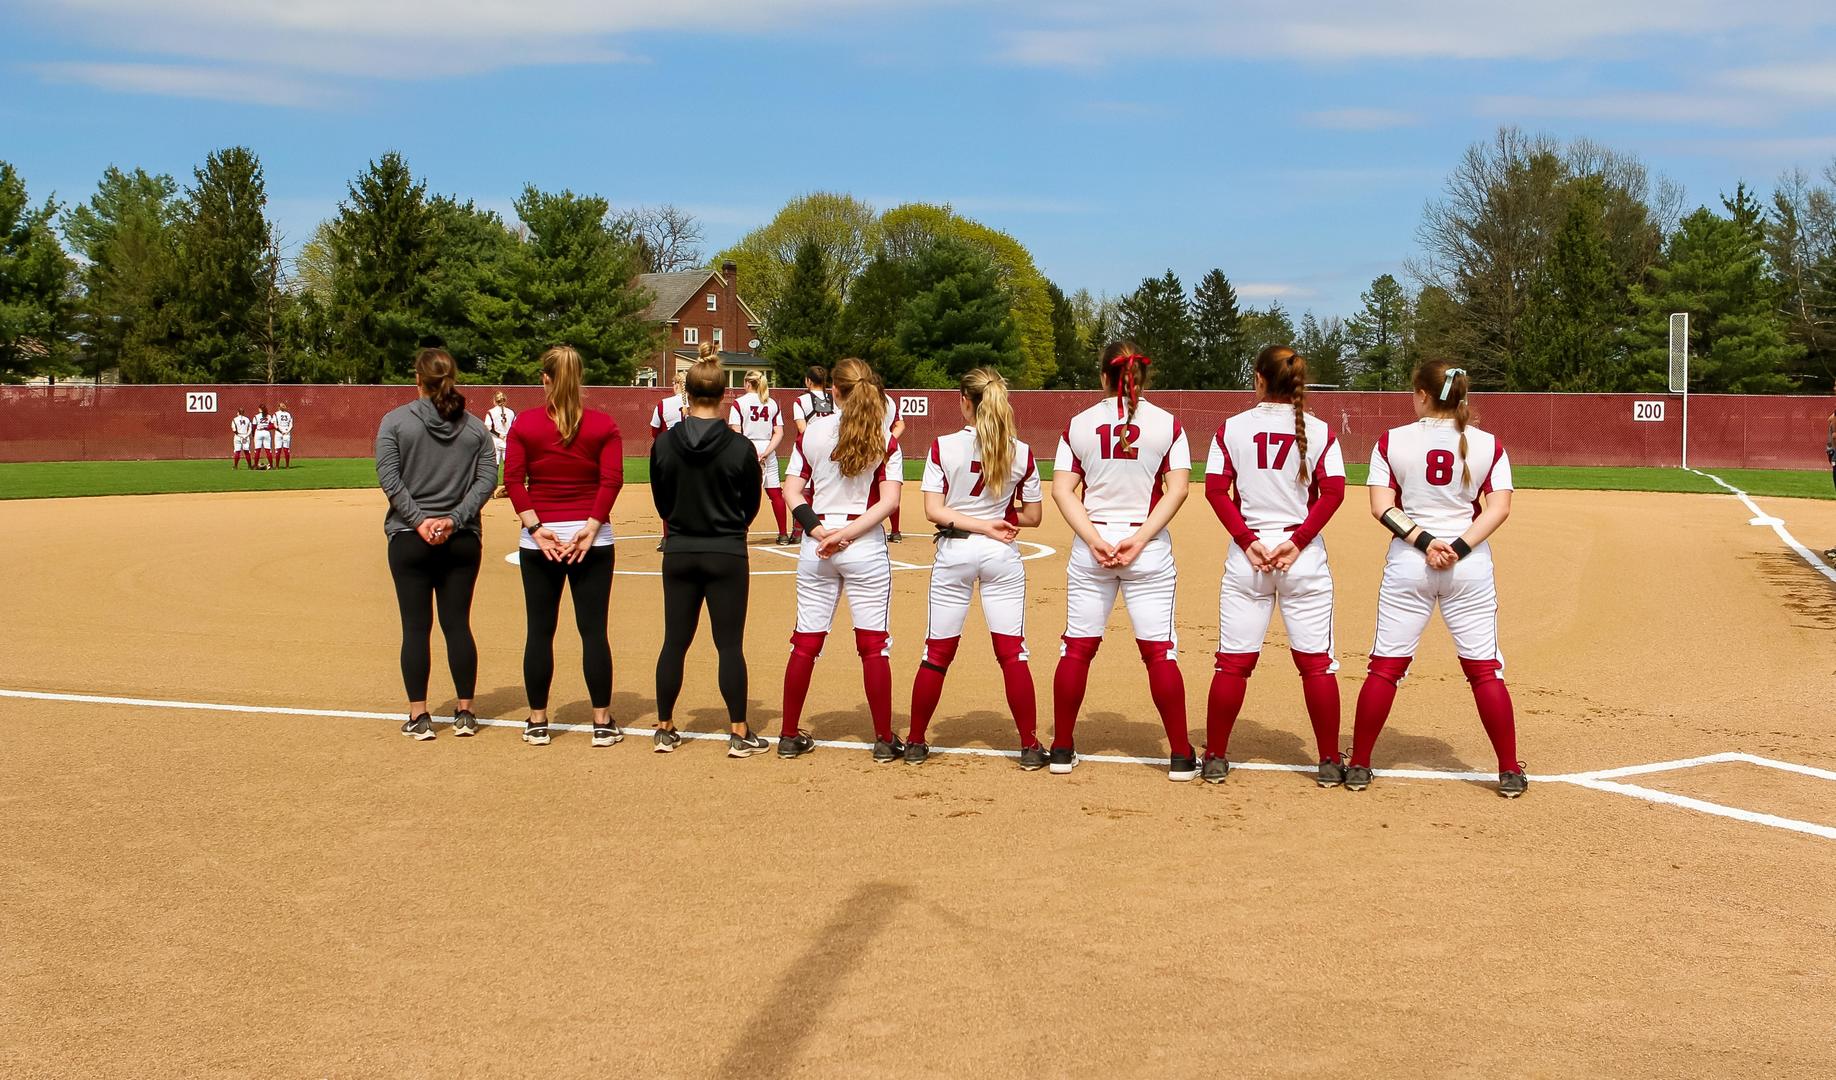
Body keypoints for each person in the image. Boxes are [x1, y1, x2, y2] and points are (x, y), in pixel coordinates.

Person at [1351, 360, 1524, 798]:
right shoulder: (1489, 444)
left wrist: (1426, 542)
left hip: (1411, 562)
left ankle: (1358, 764)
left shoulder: (1392, 441)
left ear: (1423, 395)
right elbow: (1499, 508)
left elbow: (1381, 507)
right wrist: (1458, 547)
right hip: (1468, 566)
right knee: (1485, 670)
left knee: (1386, 666)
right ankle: (1507, 770)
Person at [1201, 345, 1348, 786]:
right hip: (1301, 557)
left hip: (1250, 558)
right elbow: (1334, 493)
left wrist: (1248, 540)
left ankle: (1215, 758)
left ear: (1258, 378)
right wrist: (1297, 541)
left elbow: (1214, 491)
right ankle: (1326, 762)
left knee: (1233, 663)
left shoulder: (1232, 428)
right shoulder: (1320, 430)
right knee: (1316, 664)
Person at [1050, 341, 1194, 780]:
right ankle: (1182, 757)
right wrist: (1140, 538)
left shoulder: (1079, 424)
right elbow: (1179, 489)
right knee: (1159, 652)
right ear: (1142, 377)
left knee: (1077, 648)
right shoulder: (1168, 424)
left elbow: (1061, 490)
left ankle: (1060, 749)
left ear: (1102, 376)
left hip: (1093, 546)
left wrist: (1095, 539)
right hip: (1145, 547)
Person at [904, 368, 1045, 767]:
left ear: (965, 401)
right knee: (1012, 653)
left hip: (955, 552)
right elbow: (1032, 517)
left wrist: (976, 520)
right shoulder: (1021, 451)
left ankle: (915, 742)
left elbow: (934, 510)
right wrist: (997, 518)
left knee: (937, 651)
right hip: (1000, 552)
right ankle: (1030, 747)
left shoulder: (942, 446)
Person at [779, 357, 903, 761]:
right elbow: (890, 503)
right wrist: (845, 535)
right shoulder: (884, 436)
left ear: (833, 389)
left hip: (817, 547)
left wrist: (818, 531)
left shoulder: (813, 431)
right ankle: (884, 739)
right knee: (873, 645)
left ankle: (787, 735)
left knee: (806, 641)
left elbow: (792, 492)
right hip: (862, 544)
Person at [504, 345, 626, 748]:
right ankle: (602, 722)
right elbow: (611, 480)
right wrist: (591, 528)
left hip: (541, 541)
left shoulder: (525, 424)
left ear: (545, 379)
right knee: (594, 633)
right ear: (580, 379)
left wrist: (536, 529)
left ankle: (538, 721)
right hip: (592, 541)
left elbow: (514, 480)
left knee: (539, 631)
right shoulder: (603, 424)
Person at [374, 348, 498, 741]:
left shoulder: (394, 422)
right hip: (461, 539)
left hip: (410, 539)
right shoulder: (475, 428)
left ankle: (420, 715)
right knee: (457, 624)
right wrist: (454, 518)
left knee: (416, 627)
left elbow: (389, 479)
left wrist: (420, 520)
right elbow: (487, 480)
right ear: (452, 378)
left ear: (417, 379)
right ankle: (465, 712)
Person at [651, 359, 768, 757]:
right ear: (723, 396)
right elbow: (750, 505)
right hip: (726, 551)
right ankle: (739, 732)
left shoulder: (664, 443)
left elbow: (662, 501)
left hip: (680, 550)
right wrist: (732, 526)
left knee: (674, 642)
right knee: (729, 645)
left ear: (688, 394)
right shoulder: (740, 447)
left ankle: (664, 727)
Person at [728, 369, 792, 544]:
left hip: (745, 449)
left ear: (748, 383)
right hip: (767, 448)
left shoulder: (739, 403)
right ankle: (783, 534)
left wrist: (749, 451)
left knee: (740, 493)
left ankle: (740, 532)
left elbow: (736, 430)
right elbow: (779, 432)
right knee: (775, 493)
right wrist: (766, 452)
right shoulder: (771, 403)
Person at [649, 367, 691, 551]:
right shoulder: (697, 403)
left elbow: (655, 432)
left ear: (676, 385)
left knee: (667, 496)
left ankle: (668, 538)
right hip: (692, 453)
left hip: (670, 453)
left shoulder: (664, 404)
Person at [869, 370, 909, 542]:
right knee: (891, 492)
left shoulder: (867, 402)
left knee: (869, 490)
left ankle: (868, 527)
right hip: (890, 449)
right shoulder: (890, 401)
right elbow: (900, 425)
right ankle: (896, 531)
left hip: (870, 449)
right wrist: (890, 439)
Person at [484, 391, 516, 497]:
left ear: (494, 401)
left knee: (494, 466)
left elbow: (488, 427)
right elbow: (515, 426)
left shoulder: (491, 412)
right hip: (508, 440)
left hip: (495, 441)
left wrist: (499, 435)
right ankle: (509, 488)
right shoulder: (511, 412)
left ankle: (491, 490)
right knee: (508, 465)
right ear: (505, 401)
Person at [790, 365, 834, 435]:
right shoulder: (835, 400)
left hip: (808, 443)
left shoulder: (800, 401)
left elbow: (802, 428)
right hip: (830, 443)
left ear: (809, 380)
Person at [272, 402, 294, 468]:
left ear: (278, 407)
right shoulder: (288, 414)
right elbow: (291, 425)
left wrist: (281, 431)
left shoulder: (276, 414)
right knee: (286, 449)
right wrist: (287, 431)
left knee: (278, 449)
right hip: (286, 432)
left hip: (279, 432)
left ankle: (277, 466)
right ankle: (287, 466)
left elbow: (275, 425)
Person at [252, 404, 273, 470]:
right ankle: (271, 465)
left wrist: (253, 434)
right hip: (266, 432)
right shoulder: (269, 416)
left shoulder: (256, 416)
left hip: (259, 432)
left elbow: (254, 427)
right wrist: (266, 427)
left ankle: (255, 465)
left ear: (260, 409)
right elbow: (272, 425)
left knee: (257, 450)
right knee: (268, 450)